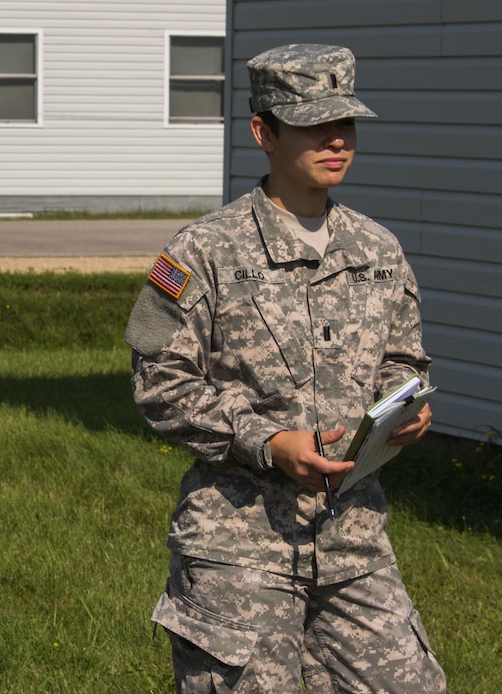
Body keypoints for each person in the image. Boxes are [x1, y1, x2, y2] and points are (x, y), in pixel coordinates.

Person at [125, 43, 447, 692]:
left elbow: (401, 360)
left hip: (353, 539)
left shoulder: (376, 248)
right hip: (236, 546)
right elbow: (159, 383)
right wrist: (268, 443)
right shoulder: (203, 251)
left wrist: (402, 407)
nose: (335, 140)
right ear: (262, 133)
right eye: (311, 125)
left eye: (345, 123)